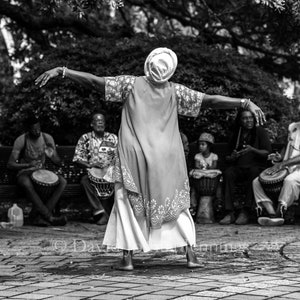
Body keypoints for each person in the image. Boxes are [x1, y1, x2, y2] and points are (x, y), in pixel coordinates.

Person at [35, 47, 265, 270]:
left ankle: (127, 259)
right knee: (176, 205)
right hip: (167, 158)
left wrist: (63, 71)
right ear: (170, 70)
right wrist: (244, 102)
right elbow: (211, 101)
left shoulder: (130, 84)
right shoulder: (176, 91)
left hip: (133, 156)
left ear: (148, 64)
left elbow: (96, 82)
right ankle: (190, 255)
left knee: (127, 204)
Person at [7, 116, 67, 226]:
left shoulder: (47, 138)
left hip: (41, 173)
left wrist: (52, 155)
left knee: (62, 182)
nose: (37, 131)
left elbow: (58, 162)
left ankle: (39, 217)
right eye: (33, 129)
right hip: (24, 173)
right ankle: (49, 217)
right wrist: (27, 164)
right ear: (28, 129)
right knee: (26, 182)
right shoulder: (21, 140)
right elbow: (10, 164)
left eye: (38, 128)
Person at [219, 108, 272, 225]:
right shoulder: (236, 134)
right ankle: (230, 212)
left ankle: (246, 211)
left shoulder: (260, 132)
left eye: (250, 117)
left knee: (254, 173)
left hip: (256, 167)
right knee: (228, 173)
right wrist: (232, 157)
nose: (248, 120)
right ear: (240, 120)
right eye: (245, 118)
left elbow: (267, 153)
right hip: (239, 168)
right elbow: (227, 157)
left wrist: (252, 149)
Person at [73, 111, 118, 225]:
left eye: (102, 121)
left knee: (122, 181)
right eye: (97, 121)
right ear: (91, 124)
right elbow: (77, 159)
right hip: (91, 173)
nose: (100, 123)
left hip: (110, 172)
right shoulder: (85, 138)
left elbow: (120, 155)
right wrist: (90, 165)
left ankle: (117, 214)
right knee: (84, 181)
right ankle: (100, 211)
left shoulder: (113, 138)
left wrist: (111, 167)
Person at [253, 122, 300, 226]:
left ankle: (280, 213)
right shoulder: (293, 127)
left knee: (290, 180)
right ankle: (271, 213)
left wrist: (282, 164)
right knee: (257, 181)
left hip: (297, 170)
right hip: (286, 166)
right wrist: (280, 157)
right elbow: (287, 145)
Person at [189, 133, 220, 223]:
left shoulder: (214, 156)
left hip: (210, 181)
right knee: (194, 187)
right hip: (200, 181)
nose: (200, 146)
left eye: (203, 144)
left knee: (218, 185)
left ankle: (219, 203)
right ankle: (193, 206)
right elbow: (197, 166)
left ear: (209, 146)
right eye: (199, 144)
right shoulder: (197, 156)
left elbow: (214, 166)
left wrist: (205, 168)